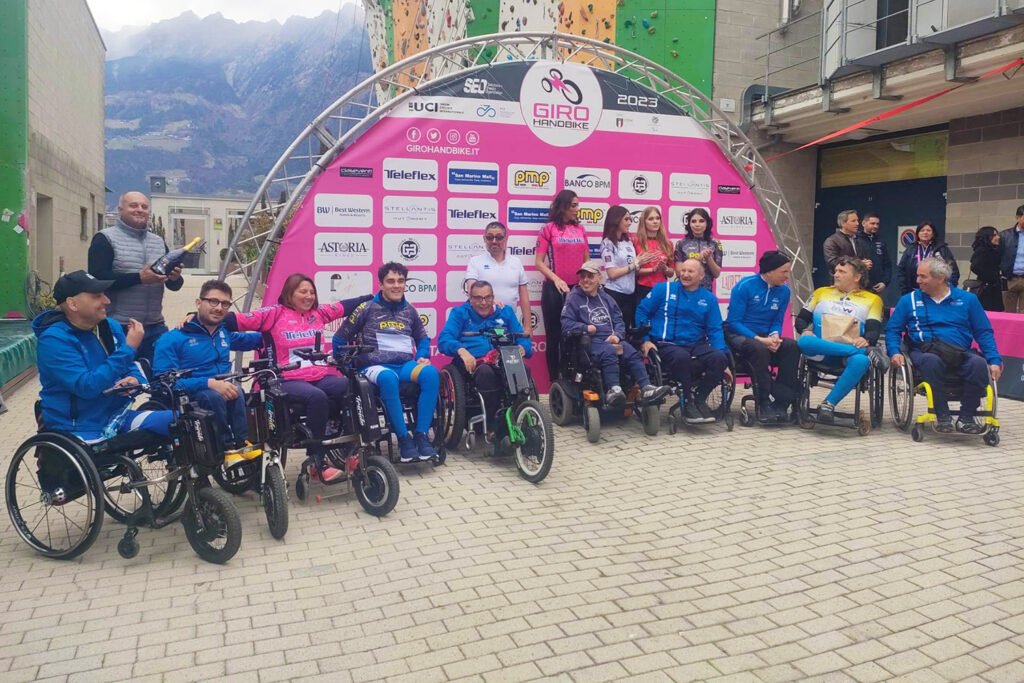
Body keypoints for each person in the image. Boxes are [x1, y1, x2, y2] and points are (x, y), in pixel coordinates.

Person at [223, 273, 352, 481]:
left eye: (312, 292)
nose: (309, 296)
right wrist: (197, 317)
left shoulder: (318, 313)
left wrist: (374, 297)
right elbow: (234, 320)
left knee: (349, 386)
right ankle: (315, 462)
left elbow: (348, 305)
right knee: (316, 397)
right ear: (289, 294)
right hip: (285, 378)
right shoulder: (274, 313)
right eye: (303, 291)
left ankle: (347, 449)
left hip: (317, 374)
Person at [32, 270, 173, 442]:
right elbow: (87, 387)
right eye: (97, 296)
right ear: (73, 304)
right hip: (78, 427)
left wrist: (134, 381)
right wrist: (129, 348)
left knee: (182, 422)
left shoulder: (109, 326)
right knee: (108, 457)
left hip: (117, 418)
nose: (107, 300)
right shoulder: (54, 340)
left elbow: (128, 367)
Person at [153, 280, 266, 467]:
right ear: (198, 303)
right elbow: (163, 383)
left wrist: (279, 331)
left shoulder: (223, 333)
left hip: (223, 390)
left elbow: (252, 339)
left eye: (225, 304)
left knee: (238, 391)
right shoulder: (172, 339)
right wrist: (208, 383)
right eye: (213, 301)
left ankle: (244, 445)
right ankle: (226, 449)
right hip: (192, 396)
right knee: (213, 396)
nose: (219, 308)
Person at [334, 262, 439, 463]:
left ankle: (421, 436)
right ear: (381, 284)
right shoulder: (366, 308)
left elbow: (423, 338)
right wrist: (347, 368)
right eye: (391, 281)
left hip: (404, 365)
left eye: (401, 281)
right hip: (373, 367)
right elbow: (339, 339)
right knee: (388, 378)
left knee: (430, 374)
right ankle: (403, 440)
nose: (396, 285)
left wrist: (423, 354)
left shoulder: (409, 310)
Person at [886, 256, 1001, 434]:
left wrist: (994, 360)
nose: (918, 281)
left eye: (923, 276)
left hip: (960, 352)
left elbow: (983, 332)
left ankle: (967, 417)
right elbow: (893, 330)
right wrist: (894, 352)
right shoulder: (908, 300)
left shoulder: (968, 300)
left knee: (978, 364)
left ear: (940, 278)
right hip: (924, 352)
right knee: (931, 361)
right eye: (917, 276)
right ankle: (942, 415)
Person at [88, 191, 184, 368]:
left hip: (156, 325)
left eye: (144, 206)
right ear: (120, 209)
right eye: (133, 205)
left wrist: (175, 278)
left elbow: (174, 285)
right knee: (121, 381)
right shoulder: (105, 239)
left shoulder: (158, 241)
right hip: (120, 326)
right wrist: (139, 278)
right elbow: (97, 280)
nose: (139, 210)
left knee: (164, 379)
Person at [560, 261, 669, 406]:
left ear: (599, 278)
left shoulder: (606, 298)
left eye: (590, 276)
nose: (585, 280)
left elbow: (619, 320)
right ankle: (614, 390)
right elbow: (566, 323)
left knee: (631, 352)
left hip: (611, 339)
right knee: (609, 351)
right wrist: (585, 328)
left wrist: (617, 335)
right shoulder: (573, 298)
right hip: (589, 342)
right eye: (582, 276)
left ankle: (646, 388)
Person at [438, 280, 532, 445]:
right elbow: (444, 340)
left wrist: (523, 348)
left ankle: (521, 417)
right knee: (485, 373)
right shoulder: (460, 313)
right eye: (478, 298)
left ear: (493, 297)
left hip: (503, 358)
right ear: (470, 298)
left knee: (522, 368)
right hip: (475, 363)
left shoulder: (505, 312)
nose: (483, 302)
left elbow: (522, 338)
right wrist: (461, 350)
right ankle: (491, 427)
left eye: (487, 298)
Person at [636, 258, 730, 424]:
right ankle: (687, 401)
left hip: (695, 344)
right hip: (666, 344)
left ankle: (700, 399)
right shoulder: (662, 290)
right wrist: (645, 340)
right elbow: (642, 312)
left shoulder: (708, 298)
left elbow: (715, 329)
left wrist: (725, 362)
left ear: (701, 276)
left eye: (690, 271)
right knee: (681, 357)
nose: (685, 274)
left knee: (719, 359)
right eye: (683, 270)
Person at [795, 257, 884, 424]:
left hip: (847, 354)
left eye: (842, 272)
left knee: (860, 361)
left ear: (857, 277)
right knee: (804, 342)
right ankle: (863, 352)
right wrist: (806, 330)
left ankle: (828, 404)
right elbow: (800, 320)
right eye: (835, 271)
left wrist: (867, 340)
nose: (836, 275)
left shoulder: (873, 299)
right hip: (822, 350)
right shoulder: (821, 292)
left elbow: (873, 329)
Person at [725, 250, 801, 423]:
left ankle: (782, 402)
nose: (786, 276)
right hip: (741, 334)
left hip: (766, 335)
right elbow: (733, 322)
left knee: (791, 347)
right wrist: (760, 339)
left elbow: (777, 320)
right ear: (769, 271)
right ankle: (764, 401)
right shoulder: (745, 286)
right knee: (758, 349)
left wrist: (774, 336)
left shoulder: (784, 292)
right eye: (783, 272)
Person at [535, 190, 590, 383]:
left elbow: (586, 261)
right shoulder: (548, 229)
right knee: (555, 337)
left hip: (577, 290)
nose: (577, 209)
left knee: (577, 335)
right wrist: (556, 279)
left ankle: (575, 379)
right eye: (574, 205)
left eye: (578, 205)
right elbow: (539, 262)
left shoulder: (581, 229)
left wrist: (588, 281)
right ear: (563, 206)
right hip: (554, 289)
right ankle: (554, 383)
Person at [464, 221, 532, 335]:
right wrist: (491, 301)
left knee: (510, 353)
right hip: (482, 323)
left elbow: (524, 297)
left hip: (509, 323)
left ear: (506, 238)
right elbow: (471, 287)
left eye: (499, 237)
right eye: (490, 237)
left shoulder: (516, 262)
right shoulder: (475, 261)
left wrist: (528, 327)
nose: (494, 241)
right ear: (484, 239)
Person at [600, 205, 653, 329]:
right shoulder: (607, 243)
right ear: (616, 220)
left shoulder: (628, 242)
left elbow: (634, 268)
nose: (630, 223)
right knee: (614, 331)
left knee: (627, 330)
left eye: (630, 219)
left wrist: (651, 267)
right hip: (614, 294)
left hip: (630, 293)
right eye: (626, 219)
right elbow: (612, 273)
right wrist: (634, 264)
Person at [896, 221, 960, 295]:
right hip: (913, 291)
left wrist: (949, 290)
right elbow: (901, 270)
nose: (925, 232)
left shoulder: (942, 249)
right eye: (922, 230)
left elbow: (953, 271)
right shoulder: (910, 249)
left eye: (928, 230)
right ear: (918, 234)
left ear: (933, 234)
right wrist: (904, 290)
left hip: (936, 292)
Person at [673, 208, 723, 291]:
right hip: (685, 291)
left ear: (707, 223)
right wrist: (697, 258)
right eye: (693, 221)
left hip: (706, 291)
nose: (697, 224)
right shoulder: (681, 244)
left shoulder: (715, 243)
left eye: (701, 221)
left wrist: (708, 258)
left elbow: (716, 274)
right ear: (688, 223)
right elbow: (678, 273)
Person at [633, 206, 674, 301]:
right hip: (642, 289)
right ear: (644, 222)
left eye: (657, 218)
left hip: (662, 289)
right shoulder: (636, 242)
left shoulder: (668, 244)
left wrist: (665, 269)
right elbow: (633, 271)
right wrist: (653, 269)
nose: (655, 221)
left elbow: (671, 273)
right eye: (651, 219)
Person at [823, 209, 872, 275]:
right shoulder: (832, 241)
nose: (857, 223)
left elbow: (863, 258)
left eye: (857, 220)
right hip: (842, 281)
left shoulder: (858, 240)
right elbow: (833, 262)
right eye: (853, 221)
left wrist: (867, 263)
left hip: (859, 281)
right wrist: (859, 264)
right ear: (843, 223)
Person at [969, 226, 1004, 312]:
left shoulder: (994, 249)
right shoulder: (982, 250)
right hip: (986, 288)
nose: (998, 237)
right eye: (994, 235)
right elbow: (975, 267)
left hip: (994, 287)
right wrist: (991, 277)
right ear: (987, 237)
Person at [998, 205, 1024, 312]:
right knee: (1009, 313)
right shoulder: (1004, 235)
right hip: (1009, 278)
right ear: (1017, 217)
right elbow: (997, 256)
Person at [859, 211, 892, 297]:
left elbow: (887, 264)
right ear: (863, 223)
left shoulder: (881, 240)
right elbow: (848, 260)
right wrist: (860, 263)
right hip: (859, 286)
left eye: (877, 224)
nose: (875, 226)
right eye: (872, 223)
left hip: (876, 287)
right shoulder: (855, 239)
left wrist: (884, 283)